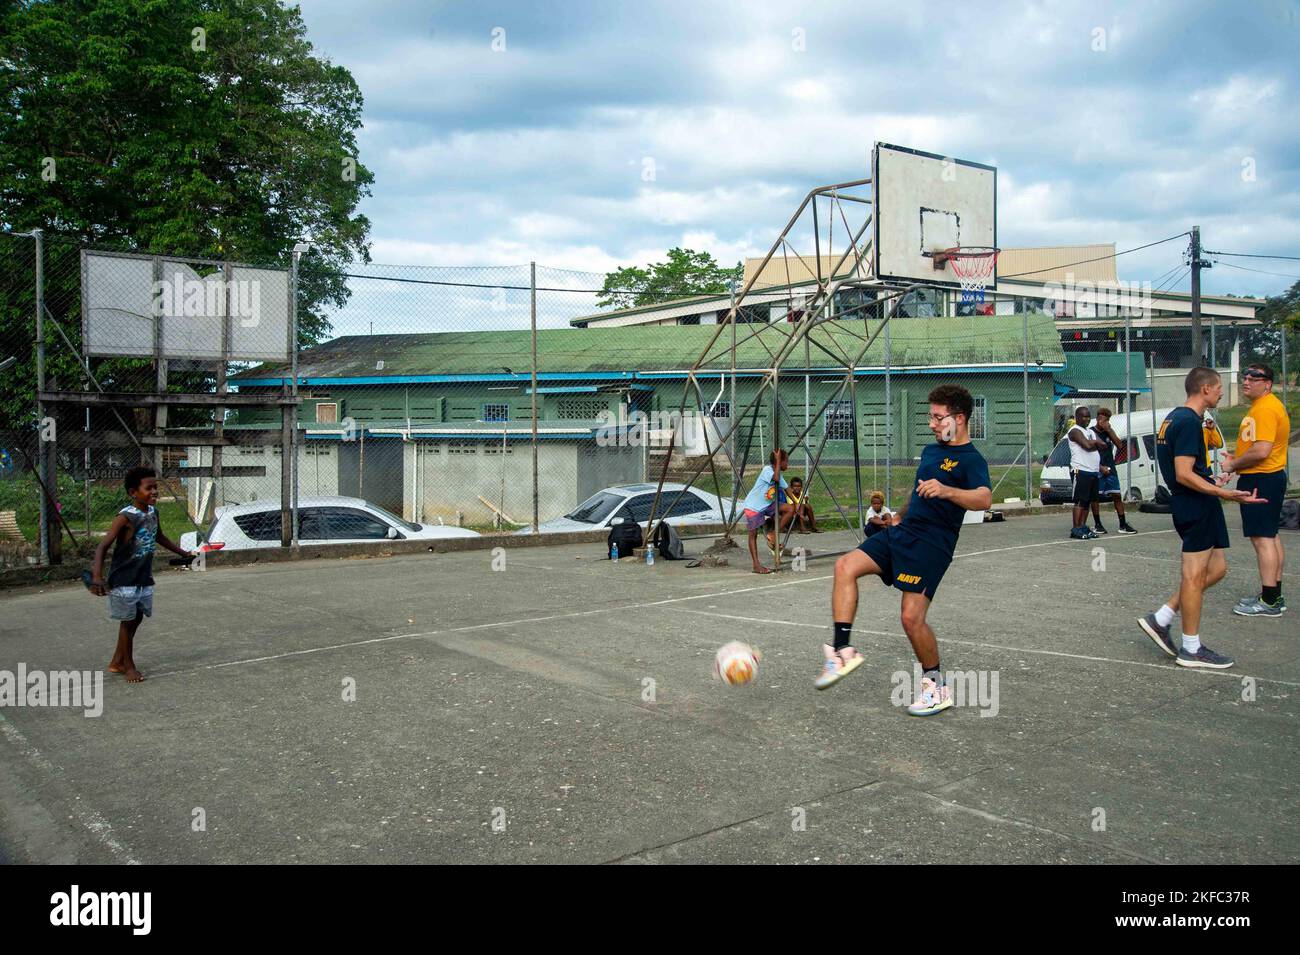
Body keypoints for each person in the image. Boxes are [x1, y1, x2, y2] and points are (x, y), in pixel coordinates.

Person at [818, 384, 991, 716]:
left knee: (911, 618)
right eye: (931, 417)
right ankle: (842, 651)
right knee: (845, 566)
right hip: (904, 531)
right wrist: (898, 515)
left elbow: (983, 499)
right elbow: (919, 491)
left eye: (938, 418)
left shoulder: (972, 460)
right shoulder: (930, 452)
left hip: (932, 544)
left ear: (959, 418)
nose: (932, 424)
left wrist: (948, 490)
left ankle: (935, 686)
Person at [1136, 368, 1264, 670]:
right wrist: (1226, 494)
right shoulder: (1189, 422)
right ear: (1205, 389)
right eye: (1218, 387)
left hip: (1200, 501)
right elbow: (1182, 474)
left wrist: (1212, 482)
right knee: (1193, 577)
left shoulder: (1175, 419)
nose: (1222, 392)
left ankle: (1162, 617)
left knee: (1217, 569)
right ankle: (1191, 648)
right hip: (1194, 506)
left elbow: (1189, 471)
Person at [89, 466, 194, 682]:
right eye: (149, 488)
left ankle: (117, 660)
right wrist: (97, 576)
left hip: (143, 577)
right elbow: (102, 547)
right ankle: (128, 667)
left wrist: (184, 553)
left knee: (135, 619)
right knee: (127, 622)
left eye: (156, 487)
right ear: (133, 493)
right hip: (124, 579)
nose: (155, 492)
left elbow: (160, 537)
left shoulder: (153, 513)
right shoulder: (125, 517)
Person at [1219, 363, 1290, 617]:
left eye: (1255, 377)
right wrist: (1236, 462)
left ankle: (1270, 600)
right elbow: (1254, 447)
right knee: (1269, 536)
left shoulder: (1267, 408)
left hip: (1263, 478)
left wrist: (1232, 464)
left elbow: (1262, 451)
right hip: (1261, 476)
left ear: (1268, 384)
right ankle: (1273, 594)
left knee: (1263, 538)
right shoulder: (1260, 408)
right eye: (1245, 376)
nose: (1247, 381)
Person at [741, 449, 792, 574]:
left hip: (768, 505)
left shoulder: (779, 474)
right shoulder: (767, 470)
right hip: (754, 506)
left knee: (790, 509)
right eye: (786, 461)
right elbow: (775, 478)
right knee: (753, 534)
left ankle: (773, 534)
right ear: (779, 462)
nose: (788, 465)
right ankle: (756, 565)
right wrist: (779, 460)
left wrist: (798, 504)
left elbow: (788, 490)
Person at [1091, 408, 1136, 534]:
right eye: (1105, 420)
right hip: (1097, 469)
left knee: (1117, 495)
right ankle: (1098, 524)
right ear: (1098, 420)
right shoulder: (1091, 433)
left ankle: (1122, 524)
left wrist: (1109, 430)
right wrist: (1100, 467)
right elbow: (1088, 454)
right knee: (1096, 497)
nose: (1107, 423)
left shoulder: (1108, 432)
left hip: (1111, 468)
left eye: (1108, 420)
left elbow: (1120, 445)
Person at [1066, 406, 1108, 540]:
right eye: (1084, 416)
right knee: (1080, 501)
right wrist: (1095, 443)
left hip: (1093, 471)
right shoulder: (1074, 431)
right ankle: (1076, 528)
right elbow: (1088, 446)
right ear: (1077, 417)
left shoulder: (1090, 431)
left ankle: (1083, 526)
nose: (1087, 419)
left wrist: (1094, 442)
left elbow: (1104, 446)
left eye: (1089, 416)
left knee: (1087, 501)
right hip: (1081, 470)